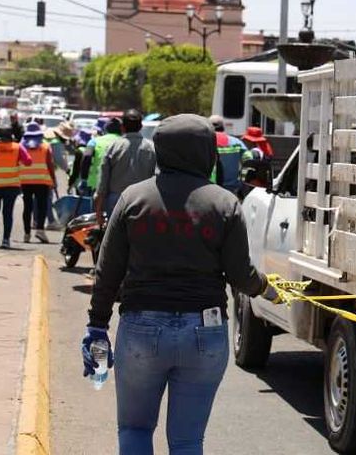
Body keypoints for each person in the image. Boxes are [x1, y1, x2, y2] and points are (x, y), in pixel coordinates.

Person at [82, 114, 284, 454]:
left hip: (141, 329)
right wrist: (268, 289)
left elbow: (108, 269)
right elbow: (240, 274)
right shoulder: (223, 203)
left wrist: (97, 325)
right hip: (204, 332)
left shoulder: (133, 199)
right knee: (188, 441)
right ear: (208, 152)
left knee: (134, 429)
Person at [95, 110, 157, 225]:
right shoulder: (152, 148)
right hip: (143, 203)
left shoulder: (113, 147)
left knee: (115, 239)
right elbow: (157, 178)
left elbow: (103, 183)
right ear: (141, 127)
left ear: (122, 127)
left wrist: (98, 210)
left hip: (116, 202)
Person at [0, 125, 32, 248]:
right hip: (11, 185)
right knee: (8, 212)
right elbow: (28, 161)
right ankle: (6, 239)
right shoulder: (18, 148)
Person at [20, 123, 56, 243]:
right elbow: (50, 165)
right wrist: (53, 180)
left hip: (25, 181)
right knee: (41, 207)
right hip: (42, 181)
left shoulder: (22, 147)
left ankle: (26, 233)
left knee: (27, 207)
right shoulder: (45, 146)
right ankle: (40, 230)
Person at [83, 118, 123, 195]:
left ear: (105, 129)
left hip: (95, 184)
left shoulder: (93, 141)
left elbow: (86, 157)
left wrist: (84, 179)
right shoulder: (125, 142)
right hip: (118, 187)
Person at [208, 115, 246, 194]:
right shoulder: (237, 142)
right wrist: (242, 181)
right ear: (223, 127)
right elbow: (249, 160)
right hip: (231, 190)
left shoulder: (205, 142)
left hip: (209, 189)